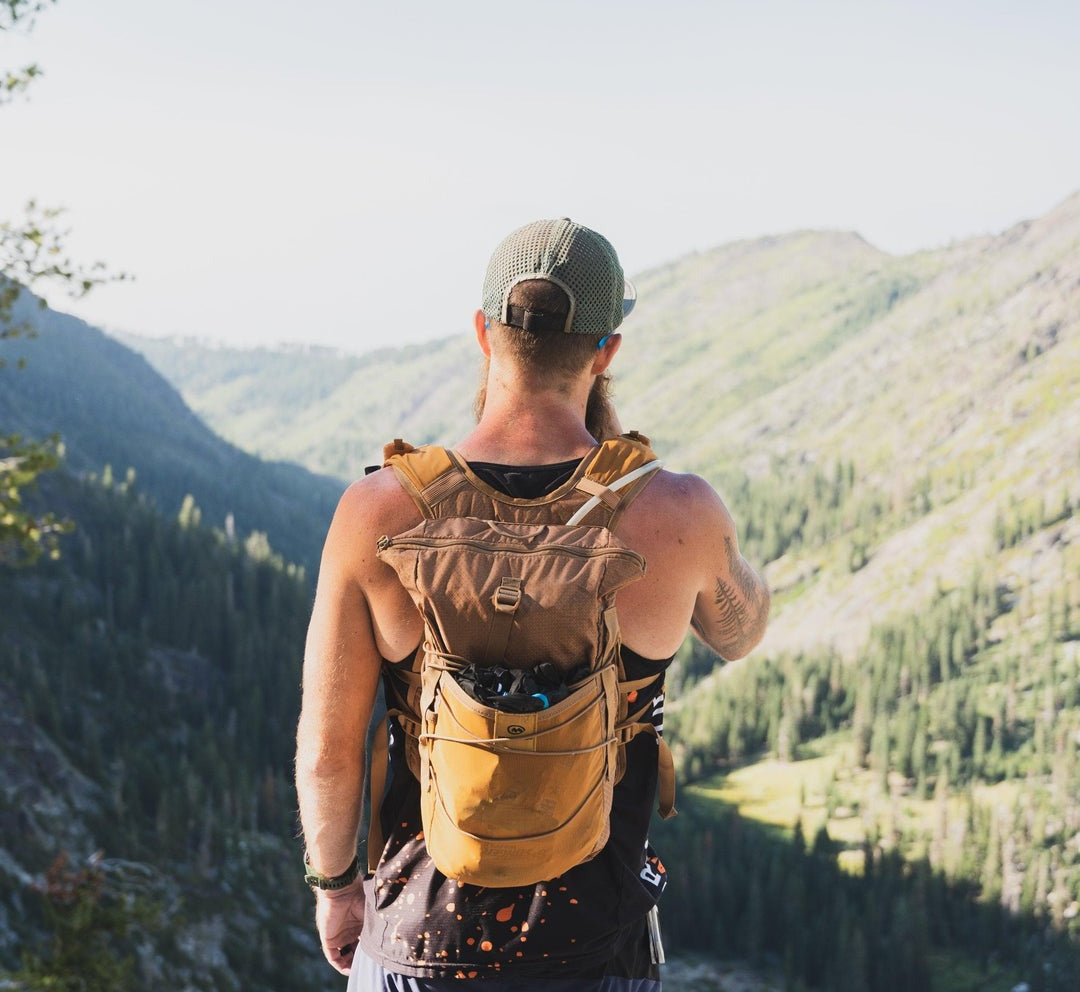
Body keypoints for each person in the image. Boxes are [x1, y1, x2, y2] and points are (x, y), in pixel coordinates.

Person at [295, 217, 771, 990]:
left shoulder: (376, 513)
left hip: (413, 943)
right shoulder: (679, 514)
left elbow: (327, 749)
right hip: (598, 949)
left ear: (484, 333)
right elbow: (740, 630)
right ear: (606, 348)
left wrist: (336, 887)